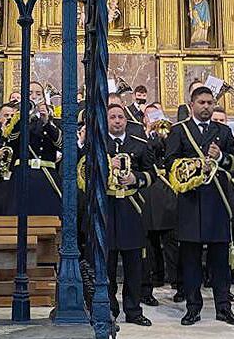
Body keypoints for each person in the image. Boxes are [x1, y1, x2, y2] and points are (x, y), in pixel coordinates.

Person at [165, 86, 234, 326]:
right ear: (192, 105)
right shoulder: (179, 131)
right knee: (191, 260)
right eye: (202, 102)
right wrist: (196, 167)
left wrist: (220, 158)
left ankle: (223, 307)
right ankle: (193, 307)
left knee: (220, 261)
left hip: (217, 202)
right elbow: (170, 163)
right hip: (191, 202)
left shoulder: (223, 131)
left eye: (210, 102)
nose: (206, 106)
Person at [103, 104, 156, 327]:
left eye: (121, 117)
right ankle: (108, 309)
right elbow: (85, 171)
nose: (117, 121)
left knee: (134, 265)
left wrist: (136, 178)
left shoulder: (139, 144)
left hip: (131, 208)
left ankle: (133, 310)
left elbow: (152, 173)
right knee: (107, 264)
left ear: (126, 121)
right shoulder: (98, 144)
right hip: (107, 208)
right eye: (113, 117)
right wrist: (108, 166)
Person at [140, 103, 179, 306]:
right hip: (148, 191)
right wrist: (148, 133)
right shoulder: (140, 136)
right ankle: (155, 276)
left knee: (171, 239)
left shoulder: (169, 134)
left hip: (166, 189)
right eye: (150, 116)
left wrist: (164, 135)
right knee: (150, 240)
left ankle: (178, 281)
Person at [211, 106, 234, 292]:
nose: (218, 123)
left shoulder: (231, 139)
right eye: (215, 120)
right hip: (211, 191)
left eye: (221, 120)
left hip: (230, 190)